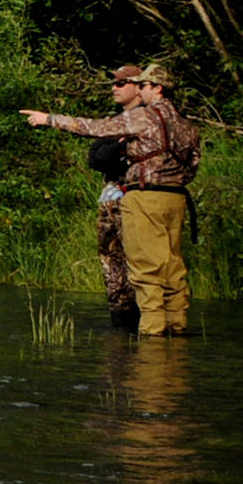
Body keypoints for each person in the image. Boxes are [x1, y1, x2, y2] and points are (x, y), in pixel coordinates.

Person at [21, 64, 200, 338]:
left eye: (143, 86)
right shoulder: (187, 125)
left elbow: (94, 127)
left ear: (157, 88)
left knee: (145, 269)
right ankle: (178, 328)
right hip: (176, 199)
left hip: (144, 196)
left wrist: (49, 119)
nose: (139, 90)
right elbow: (193, 165)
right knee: (172, 266)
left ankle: (152, 337)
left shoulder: (146, 118)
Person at [87, 66, 145, 331]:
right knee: (110, 262)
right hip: (109, 196)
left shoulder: (147, 118)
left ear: (138, 86)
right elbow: (96, 156)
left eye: (122, 83)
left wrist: (116, 148)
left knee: (138, 260)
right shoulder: (114, 120)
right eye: (114, 82)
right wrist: (117, 146)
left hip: (134, 196)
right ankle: (120, 324)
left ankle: (146, 323)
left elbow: (112, 154)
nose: (114, 87)